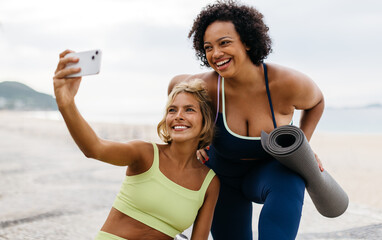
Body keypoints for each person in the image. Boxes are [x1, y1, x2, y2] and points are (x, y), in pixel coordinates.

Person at [168, 1, 324, 240]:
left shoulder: (286, 83)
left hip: (272, 175)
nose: (216, 54)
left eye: (225, 43)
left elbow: (316, 102)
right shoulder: (208, 86)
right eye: (208, 47)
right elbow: (174, 87)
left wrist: (304, 145)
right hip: (223, 179)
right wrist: (193, 143)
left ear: (248, 42)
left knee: (292, 178)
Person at [53, 50, 220, 240]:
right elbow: (95, 148)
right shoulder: (144, 153)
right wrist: (66, 104)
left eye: (189, 109)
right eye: (172, 110)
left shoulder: (209, 183)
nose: (178, 116)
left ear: (205, 120)